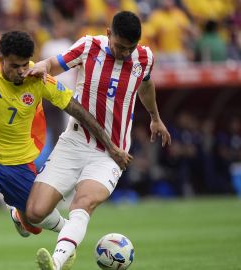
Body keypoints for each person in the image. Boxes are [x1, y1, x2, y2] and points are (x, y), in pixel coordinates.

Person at [0, 30, 132, 270]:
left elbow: (76, 109)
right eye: (14, 66)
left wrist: (111, 146)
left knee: (34, 223)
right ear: (0, 59)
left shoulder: (38, 77)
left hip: (21, 166)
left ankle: (26, 219)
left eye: (25, 64)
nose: (21, 71)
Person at [23, 11, 172, 270]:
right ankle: (65, 238)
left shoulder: (145, 57)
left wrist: (154, 117)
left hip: (111, 153)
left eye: (130, 48)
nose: (125, 53)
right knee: (35, 213)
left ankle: (57, 262)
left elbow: (146, 85)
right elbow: (53, 64)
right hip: (74, 141)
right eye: (120, 46)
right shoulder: (88, 47)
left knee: (84, 203)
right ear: (108, 34)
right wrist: (41, 67)